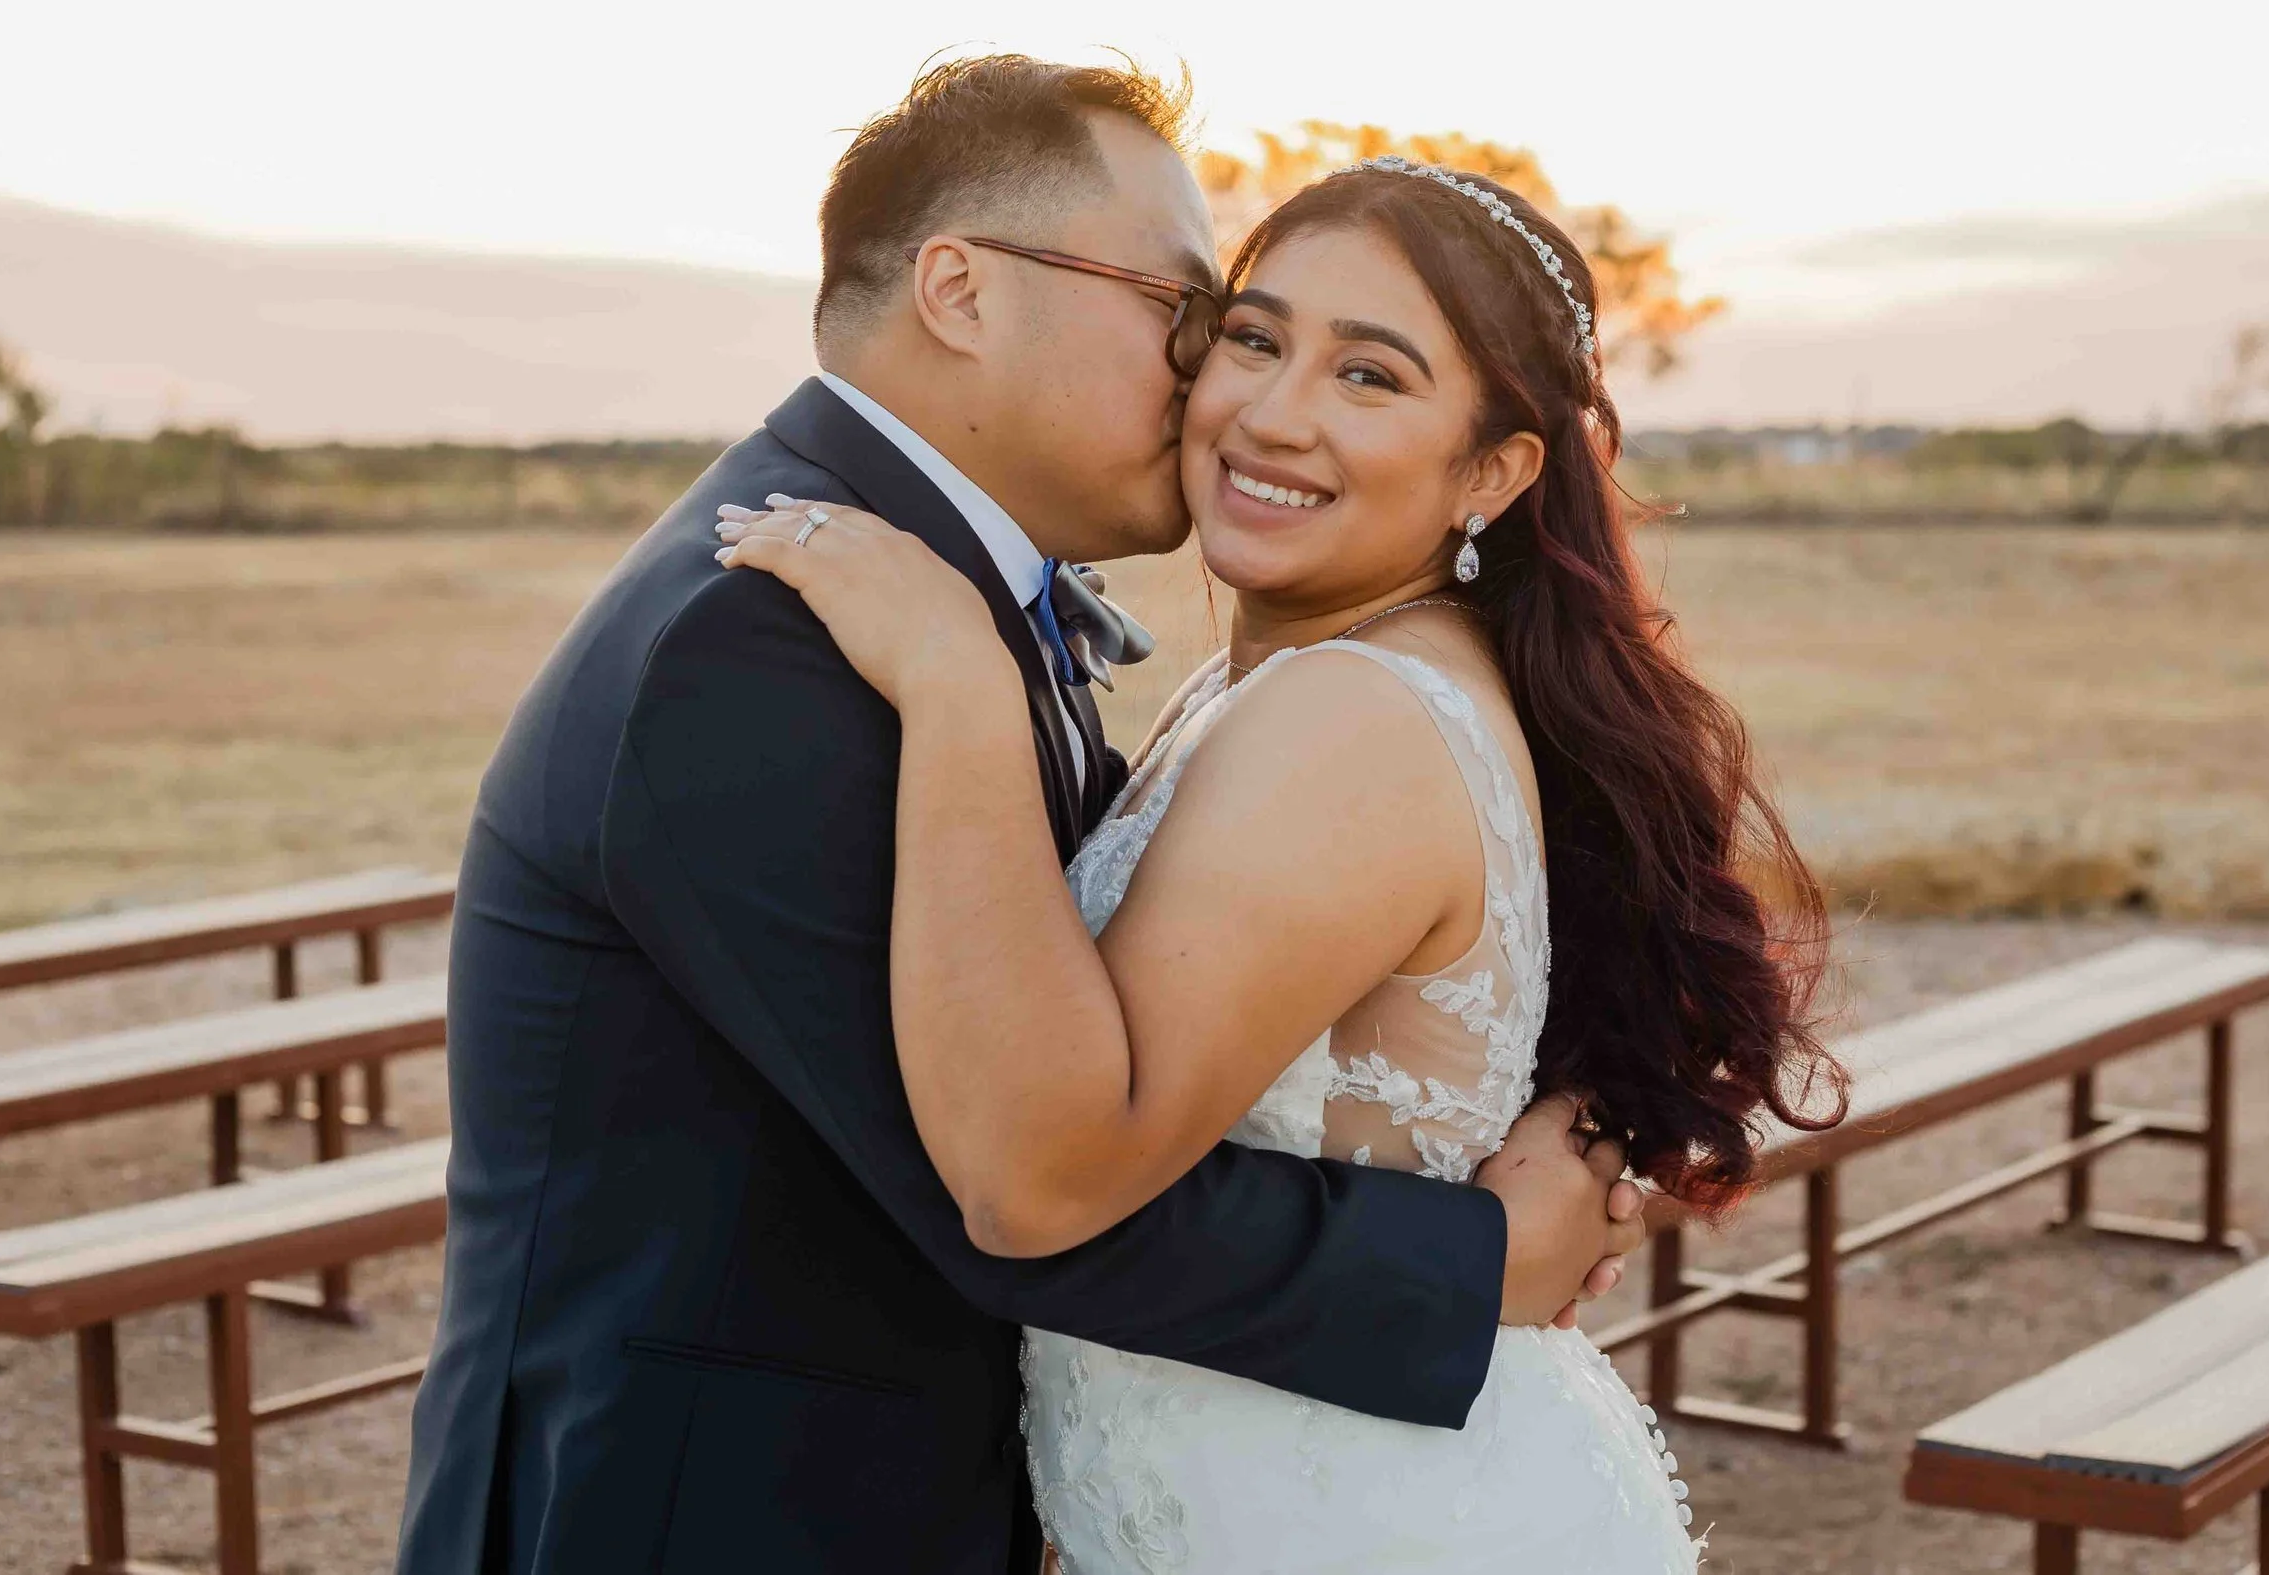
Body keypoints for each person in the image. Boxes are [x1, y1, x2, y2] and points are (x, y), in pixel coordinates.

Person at [396, 59, 1645, 1575]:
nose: (1216, 383)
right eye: (1202, 317)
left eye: (1355, 368)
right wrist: (1474, 1261)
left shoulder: (963, 600)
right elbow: (1009, 1178)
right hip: (696, 1517)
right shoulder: (770, 638)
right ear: (962, 290)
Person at [713, 153, 1847, 1569]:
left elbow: (1037, 1178)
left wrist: (957, 686)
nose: (1272, 410)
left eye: (1369, 377)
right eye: (1254, 337)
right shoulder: (1300, 680)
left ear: (1489, 473)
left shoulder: (1353, 713)